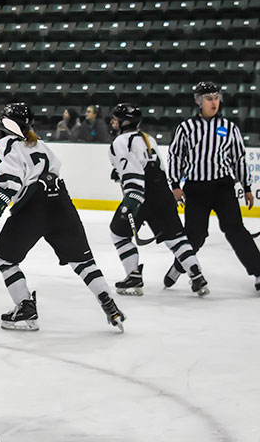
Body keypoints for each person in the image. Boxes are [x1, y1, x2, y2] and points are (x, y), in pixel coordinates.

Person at [0, 102, 126, 332]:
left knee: (5, 258)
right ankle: (109, 304)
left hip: (33, 206)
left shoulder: (6, 145)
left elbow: (11, 180)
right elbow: (54, 169)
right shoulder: (40, 143)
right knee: (83, 262)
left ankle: (25, 306)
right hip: (61, 202)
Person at [106, 103, 208, 297]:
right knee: (176, 238)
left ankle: (133, 275)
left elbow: (133, 172)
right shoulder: (148, 138)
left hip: (141, 194)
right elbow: (153, 165)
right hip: (162, 192)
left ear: (125, 121)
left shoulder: (119, 142)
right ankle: (196, 275)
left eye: (116, 118)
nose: (113, 121)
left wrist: (132, 199)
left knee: (118, 233)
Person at [167, 81, 260, 292]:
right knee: (195, 235)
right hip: (196, 188)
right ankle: (178, 266)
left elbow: (238, 159)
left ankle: (258, 271)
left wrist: (246, 186)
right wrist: (175, 184)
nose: (214, 102)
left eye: (216, 98)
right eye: (209, 98)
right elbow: (175, 157)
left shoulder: (229, 128)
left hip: (222, 187)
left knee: (235, 229)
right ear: (199, 102)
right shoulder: (186, 128)